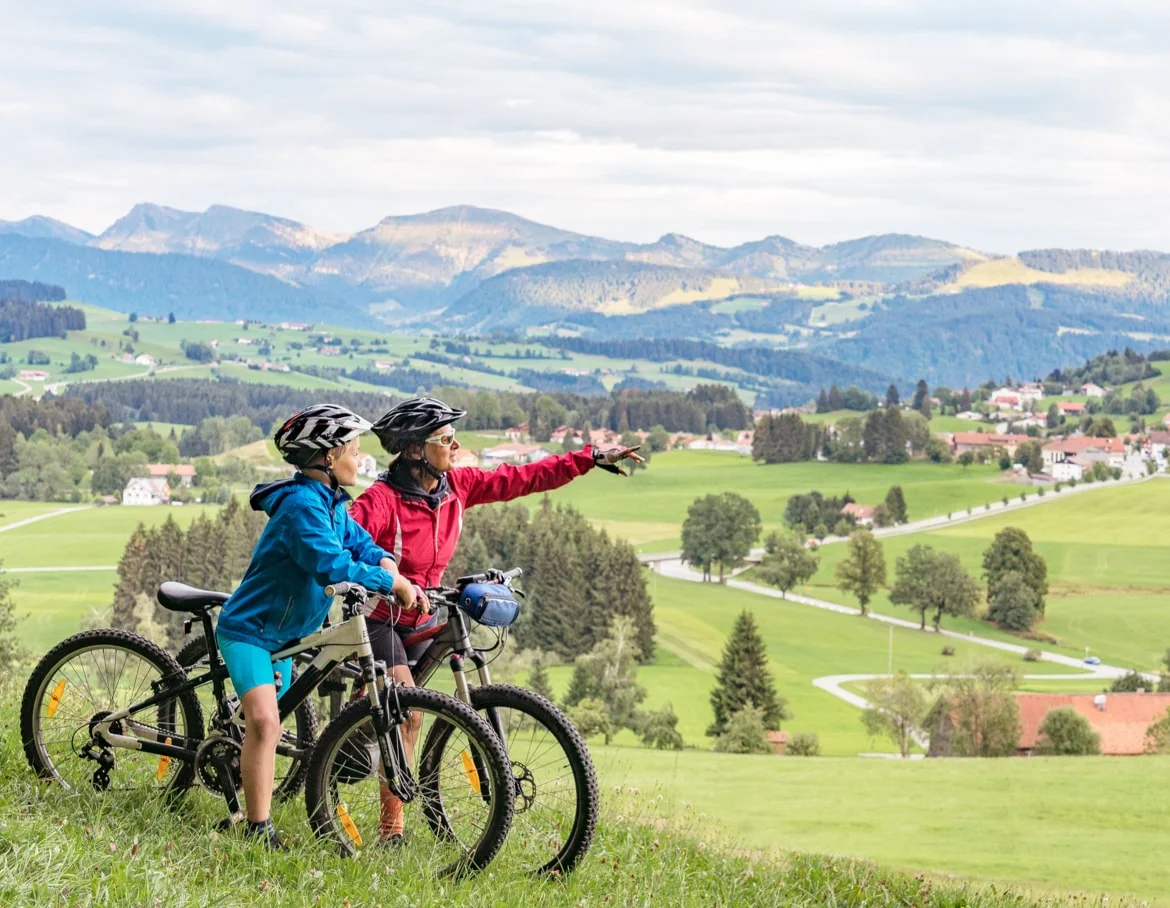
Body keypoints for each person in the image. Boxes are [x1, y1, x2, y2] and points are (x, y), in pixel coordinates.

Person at [347, 396, 642, 840]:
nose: (455, 444)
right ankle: (392, 831)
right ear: (414, 450)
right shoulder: (381, 501)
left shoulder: (457, 488)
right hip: (380, 618)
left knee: (414, 705)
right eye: (445, 438)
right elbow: (342, 540)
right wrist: (386, 579)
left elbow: (522, 478)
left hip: (425, 615)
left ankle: (371, 739)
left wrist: (589, 458)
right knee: (405, 713)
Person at [214, 404, 415, 849]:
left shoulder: (331, 504)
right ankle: (257, 830)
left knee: (265, 723)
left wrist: (385, 563)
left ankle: (242, 777)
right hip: (250, 632)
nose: (360, 460)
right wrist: (391, 580)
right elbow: (330, 563)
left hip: (285, 636)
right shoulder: (302, 507)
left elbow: (356, 543)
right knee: (265, 723)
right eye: (353, 451)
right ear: (327, 457)